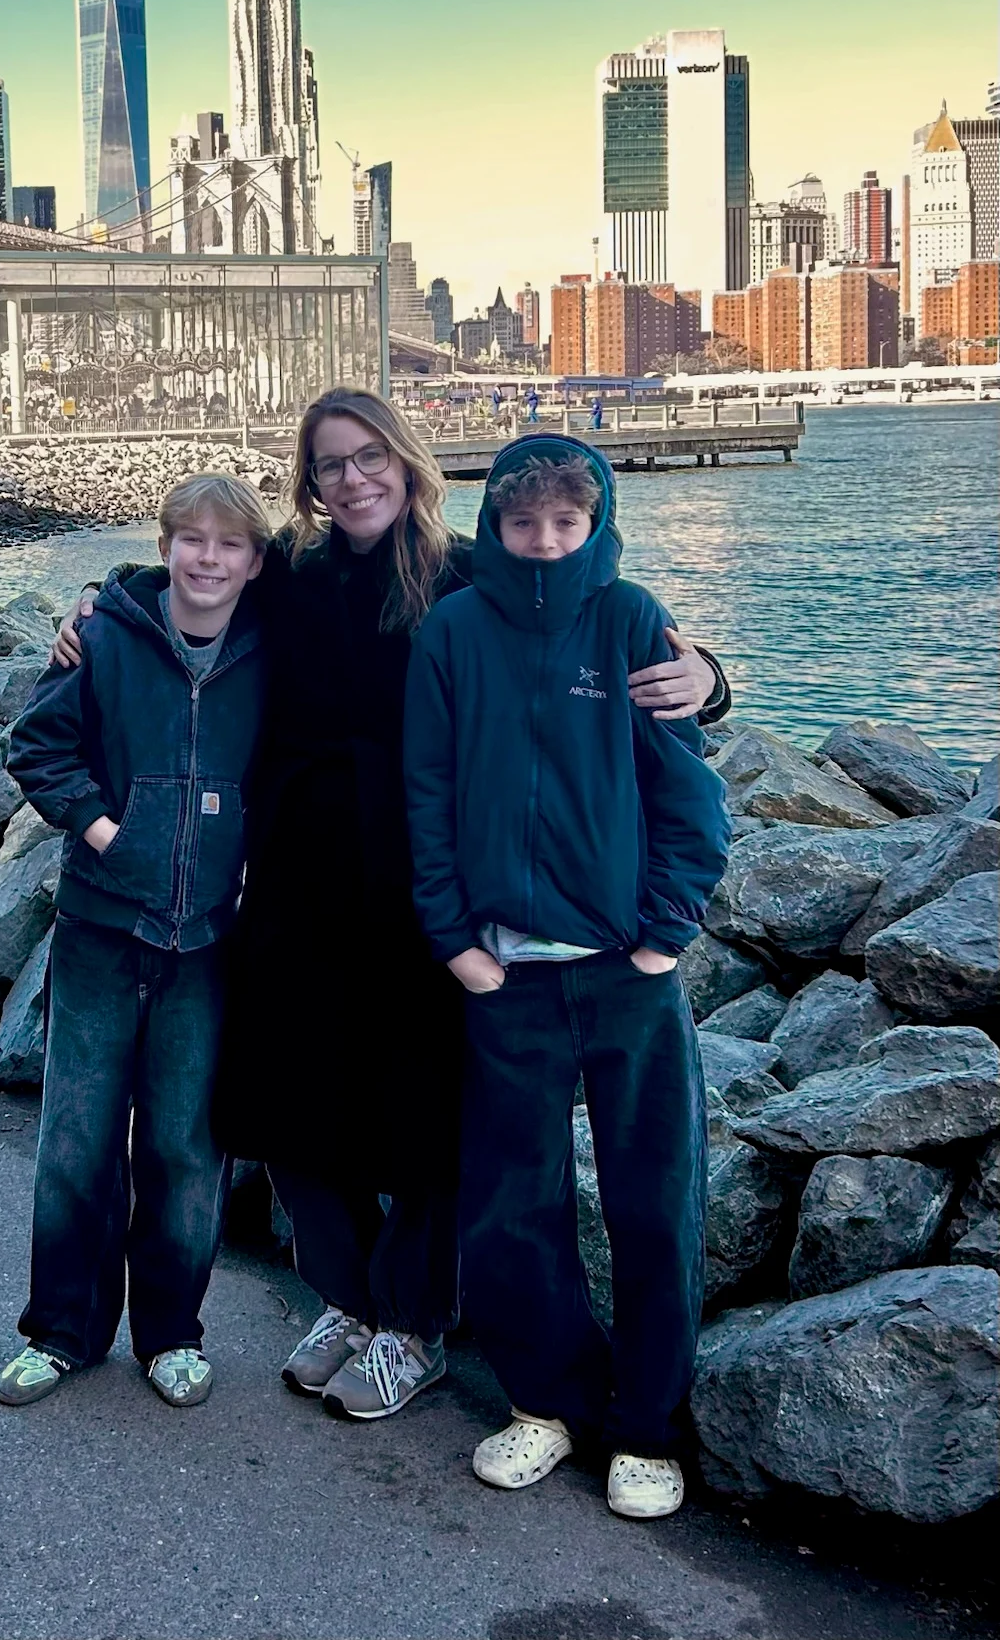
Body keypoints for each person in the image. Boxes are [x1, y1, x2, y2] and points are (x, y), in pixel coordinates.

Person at [52, 390, 728, 1423]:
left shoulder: (468, 574)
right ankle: (349, 1296)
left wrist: (710, 676)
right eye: (331, 464)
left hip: (426, 877)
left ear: (407, 463)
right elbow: (192, 574)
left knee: (422, 1111)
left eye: (370, 456)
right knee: (287, 1100)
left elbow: (584, 616)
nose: (353, 478)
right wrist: (96, 606)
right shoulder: (293, 570)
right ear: (311, 483)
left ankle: (412, 1320)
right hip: (297, 867)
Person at [404, 438, 731, 1521]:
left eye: (564, 523)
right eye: (522, 523)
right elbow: (427, 792)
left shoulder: (631, 618)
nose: (544, 542)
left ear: (595, 525)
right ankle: (544, 1402)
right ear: (493, 528)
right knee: (511, 1204)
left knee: (656, 1199)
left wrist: (667, 932)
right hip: (506, 977)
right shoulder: (454, 630)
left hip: (629, 972)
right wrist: (457, 941)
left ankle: (646, 1427)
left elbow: (687, 791)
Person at [0, 474, 272, 1412]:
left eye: (229, 544)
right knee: (76, 1139)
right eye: (191, 539)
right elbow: (37, 745)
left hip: (208, 942)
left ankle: (171, 1335)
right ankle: (60, 1332)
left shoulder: (270, 653)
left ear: (255, 562)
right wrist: (106, 831)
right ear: (164, 548)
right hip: (100, 931)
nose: (208, 558)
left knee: (185, 1148)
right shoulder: (106, 636)